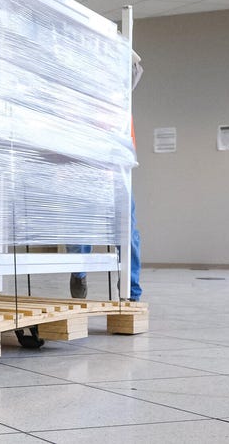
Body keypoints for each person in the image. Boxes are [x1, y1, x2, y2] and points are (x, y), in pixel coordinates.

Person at [69, 52, 143, 302]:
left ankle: (131, 291)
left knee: (127, 232)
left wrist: (124, 48)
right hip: (85, 169)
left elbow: (135, 68)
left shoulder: (118, 91)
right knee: (79, 231)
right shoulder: (75, 94)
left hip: (117, 169)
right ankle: (78, 274)